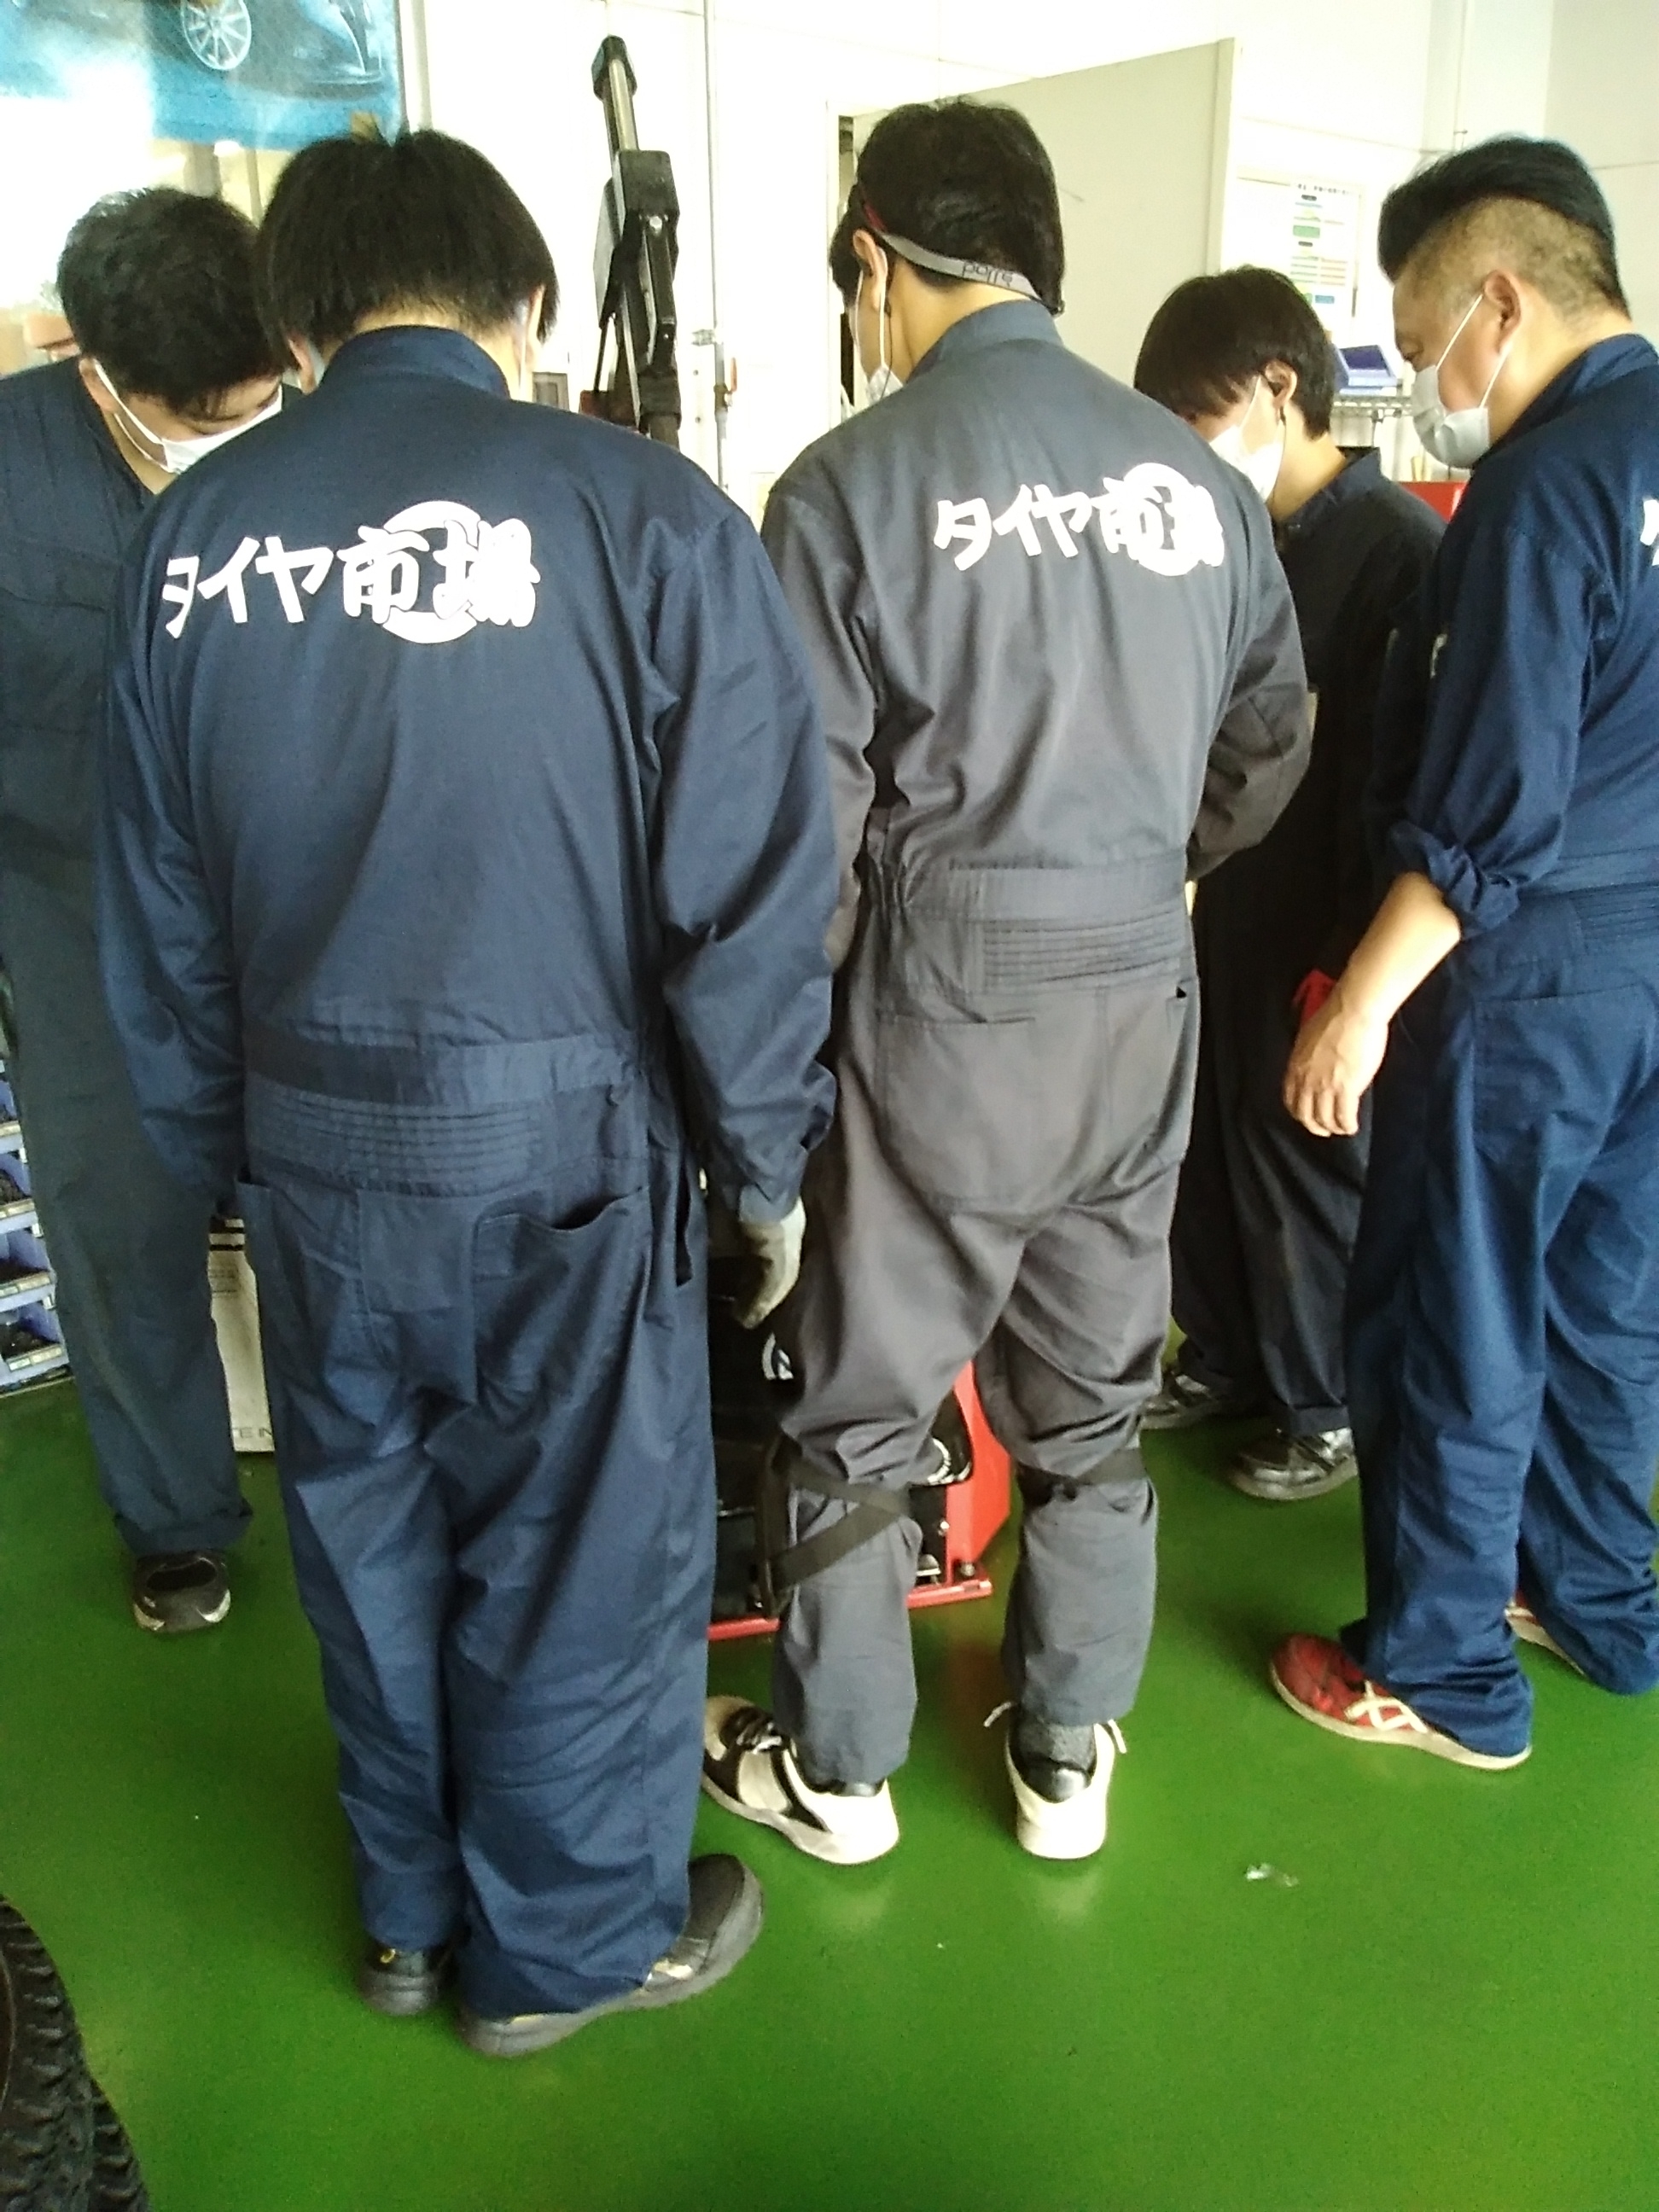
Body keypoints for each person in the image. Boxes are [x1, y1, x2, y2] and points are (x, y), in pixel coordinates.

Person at [97, 131, 836, 2050]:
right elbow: (750, 898)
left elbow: (158, 908)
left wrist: (220, 1159)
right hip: (568, 1157)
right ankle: (566, 1954)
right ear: (528, 303)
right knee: (580, 1561)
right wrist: (764, 1166)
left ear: (298, 327)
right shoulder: (644, 515)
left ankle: (413, 1919)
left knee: (366, 1543)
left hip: (311, 1152)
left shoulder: (192, 545)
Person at [701, 100, 1310, 1867]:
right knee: (1096, 1401)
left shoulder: (848, 488)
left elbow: (795, 846)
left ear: (876, 262)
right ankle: (1064, 1756)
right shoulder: (1198, 487)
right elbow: (1270, 737)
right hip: (1139, 996)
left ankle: (839, 1775)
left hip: (942, 1015)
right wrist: (1145, 863)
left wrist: (770, 1106)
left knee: (860, 1413)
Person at [1272, 137, 1659, 1768]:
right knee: (1604, 1300)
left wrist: (1360, 1003)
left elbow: (1489, 809)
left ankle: (1441, 1670)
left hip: (1531, 973)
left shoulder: (1541, 490)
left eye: (1425, 339)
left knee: (1458, 1307)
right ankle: (1597, 1598)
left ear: (1503, 302)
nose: (1423, 381)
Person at [0, 189, 287, 1633]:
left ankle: (370, 1477)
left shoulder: (316, 451)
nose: (224, 442)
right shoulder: (10, 463)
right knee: (121, 1235)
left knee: (331, 1219)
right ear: (96, 368)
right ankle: (174, 1518)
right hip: (78, 921)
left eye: (252, 408)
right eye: (193, 421)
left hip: (288, 917)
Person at [1133, 270, 1443, 1501]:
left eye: (1196, 413)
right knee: (1210, 1142)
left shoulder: (1396, 553)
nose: (1185, 444)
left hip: (1331, 914)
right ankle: (1222, 1354)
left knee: (1303, 1155)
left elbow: (1398, 780)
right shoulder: (1229, 538)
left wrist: (1350, 966)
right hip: (1231, 900)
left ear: (1279, 387)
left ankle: (1324, 1404)